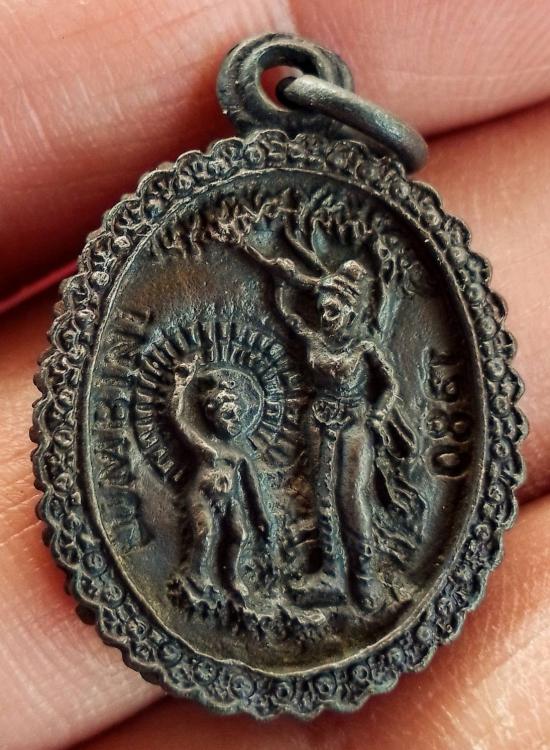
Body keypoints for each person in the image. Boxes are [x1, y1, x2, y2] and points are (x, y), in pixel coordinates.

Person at [242, 243, 398, 611]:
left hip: (354, 423)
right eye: (323, 310)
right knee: (322, 494)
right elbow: (285, 312)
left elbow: (389, 385)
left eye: (334, 311)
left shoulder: (365, 347)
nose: (326, 317)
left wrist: (379, 414)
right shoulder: (313, 339)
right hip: (318, 420)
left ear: (350, 311)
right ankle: (331, 573)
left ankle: (365, 578)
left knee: (351, 496)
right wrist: (278, 279)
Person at [170, 356, 272, 602]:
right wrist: (180, 386)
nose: (233, 421)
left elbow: (252, 490)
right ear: (211, 417)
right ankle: (196, 575)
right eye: (227, 415)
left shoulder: (240, 456)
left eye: (237, 416)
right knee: (204, 533)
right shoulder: (208, 448)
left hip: (230, 501)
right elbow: (178, 419)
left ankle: (232, 578)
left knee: (239, 534)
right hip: (202, 496)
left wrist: (261, 517)